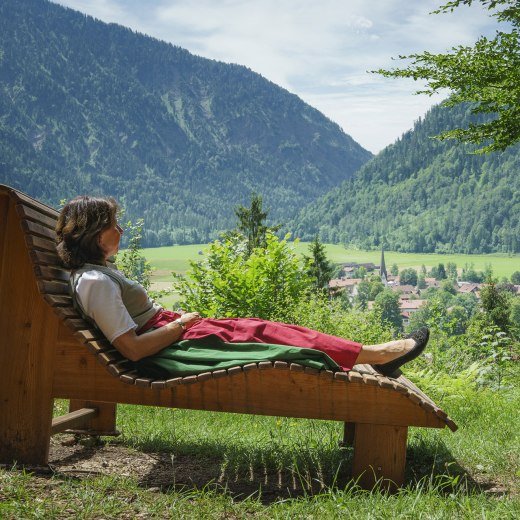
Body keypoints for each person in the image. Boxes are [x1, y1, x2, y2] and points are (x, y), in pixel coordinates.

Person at [55, 195, 429, 378]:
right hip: (174, 340)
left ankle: (373, 355)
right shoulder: (93, 282)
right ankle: (380, 355)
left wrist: (179, 323)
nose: (120, 230)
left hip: (175, 330)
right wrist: (181, 324)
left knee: (264, 328)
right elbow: (133, 350)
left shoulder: (95, 274)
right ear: (91, 233)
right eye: (113, 224)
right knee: (267, 334)